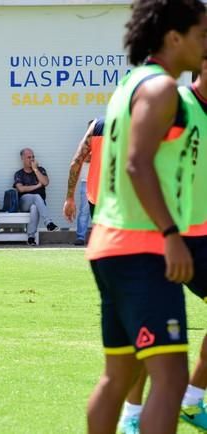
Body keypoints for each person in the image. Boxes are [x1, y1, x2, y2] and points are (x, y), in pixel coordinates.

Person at [85, 1, 207, 433]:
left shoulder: (129, 85)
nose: (205, 44)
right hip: (143, 249)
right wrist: (172, 234)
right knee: (171, 379)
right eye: (201, 34)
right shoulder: (161, 90)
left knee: (117, 376)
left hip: (110, 244)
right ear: (175, 37)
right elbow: (138, 163)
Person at [117, 59, 207, 434]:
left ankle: (192, 400)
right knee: (149, 332)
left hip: (202, 237)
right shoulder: (177, 104)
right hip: (162, 235)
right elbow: (137, 162)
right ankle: (131, 416)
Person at [62, 118, 105, 245]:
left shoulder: (97, 125)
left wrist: (69, 198)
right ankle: (81, 237)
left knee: (103, 236)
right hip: (121, 193)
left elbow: (77, 161)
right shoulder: (137, 124)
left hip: (95, 192)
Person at [13, 148, 59, 246]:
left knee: (34, 207)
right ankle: (48, 222)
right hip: (24, 203)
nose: (32, 159)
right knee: (37, 197)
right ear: (22, 158)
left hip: (37, 204)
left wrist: (35, 169)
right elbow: (21, 189)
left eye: (33, 157)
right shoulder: (19, 174)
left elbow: (45, 182)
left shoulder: (41, 170)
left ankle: (31, 237)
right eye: (29, 157)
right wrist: (37, 186)